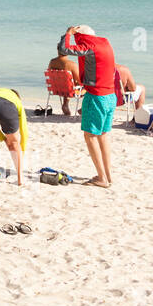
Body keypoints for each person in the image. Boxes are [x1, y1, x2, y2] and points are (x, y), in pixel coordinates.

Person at [58, 25, 116, 188]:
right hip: (110, 95)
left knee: (90, 136)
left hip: (96, 96)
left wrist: (68, 33)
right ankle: (108, 175)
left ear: (81, 36)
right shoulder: (104, 43)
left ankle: (101, 178)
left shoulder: (88, 46)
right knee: (103, 135)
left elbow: (64, 48)